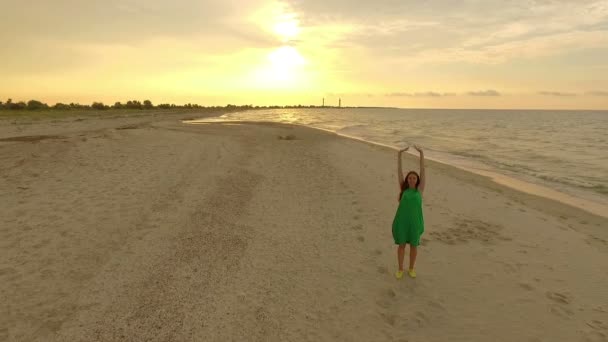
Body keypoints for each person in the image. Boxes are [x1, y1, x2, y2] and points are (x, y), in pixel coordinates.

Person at [392, 144, 425, 279]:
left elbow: (422, 170)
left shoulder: (420, 190)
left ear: (417, 180)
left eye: (414, 178)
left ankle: (411, 269)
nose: (412, 179)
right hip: (402, 222)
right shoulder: (403, 189)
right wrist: (400, 155)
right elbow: (399, 171)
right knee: (401, 246)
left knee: (413, 247)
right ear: (407, 180)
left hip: (415, 223)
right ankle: (400, 269)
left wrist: (421, 154)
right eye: (410, 178)